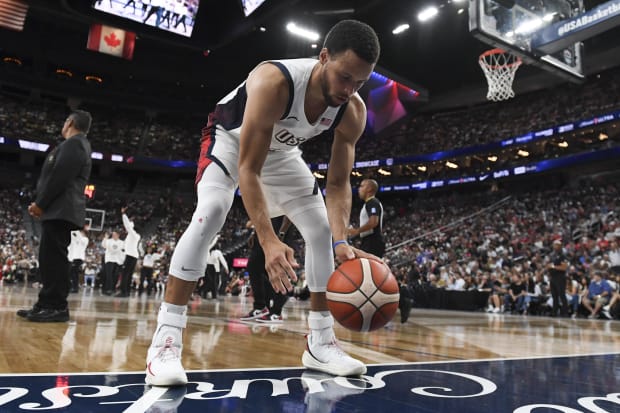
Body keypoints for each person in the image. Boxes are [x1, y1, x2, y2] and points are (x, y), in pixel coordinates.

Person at [145, 19, 381, 386]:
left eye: (360, 82)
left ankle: (320, 342)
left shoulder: (352, 111)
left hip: (281, 153)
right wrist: (269, 240)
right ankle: (166, 340)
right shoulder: (275, 81)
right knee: (212, 211)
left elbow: (336, 185)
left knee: (320, 230)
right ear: (322, 58)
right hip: (229, 140)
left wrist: (341, 242)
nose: (349, 89)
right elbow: (248, 170)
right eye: (344, 77)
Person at [17, 110, 92, 322]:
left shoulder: (75, 143)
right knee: (48, 258)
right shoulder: (74, 144)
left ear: (70, 122)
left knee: (55, 258)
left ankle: (57, 306)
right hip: (58, 209)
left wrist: (41, 203)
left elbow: (60, 176)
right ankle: (45, 303)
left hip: (61, 208)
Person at [240, 216, 294, 323]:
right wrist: (254, 234)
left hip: (278, 233)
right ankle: (261, 307)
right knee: (255, 267)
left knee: (276, 269)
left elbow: (288, 213)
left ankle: (276, 312)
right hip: (265, 233)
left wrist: (282, 233)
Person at [117, 207, 141, 297]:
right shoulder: (132, 236)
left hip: (131, 256)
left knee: (125, 274)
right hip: (132, 256)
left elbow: (127, 225)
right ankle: (126, 292)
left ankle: (124, 292)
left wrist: (123, 214)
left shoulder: (134, 234)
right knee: (128, 274)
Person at [547, 239, 569, 317]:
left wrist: (553, 266)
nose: (554, 246)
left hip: (560, 277)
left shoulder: (563, 256)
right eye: (554, 245)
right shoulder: (552, 255)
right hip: (553, 277)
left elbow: (564, 267)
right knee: (554, 296)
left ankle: (565, 312)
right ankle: (554, 312)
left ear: (560, 246)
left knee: (562, 295)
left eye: (556, 245)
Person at [67, 224, 90, 293]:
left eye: (81, 232)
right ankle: (72, 286)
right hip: (72, 258)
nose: (80, 233)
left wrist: (78, 229)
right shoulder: (75, 239)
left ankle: (75, 288)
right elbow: (72, 235)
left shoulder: (85, 239)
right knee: (71, 273)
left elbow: (79, 238)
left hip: (79, 258)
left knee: (74, 273)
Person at [101, 231, 124, 295]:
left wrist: (122, 260)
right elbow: (103, 245)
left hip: (117, 261)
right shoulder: (108, 241)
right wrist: (105, 237)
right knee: (109, 275)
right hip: (109, 260)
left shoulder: (122, 242)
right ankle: (108, 289)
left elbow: (123, 251)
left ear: (118, 235)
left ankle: (113, 288)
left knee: (115, 275)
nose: (114, 235)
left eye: (115, 234)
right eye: (113, 234)